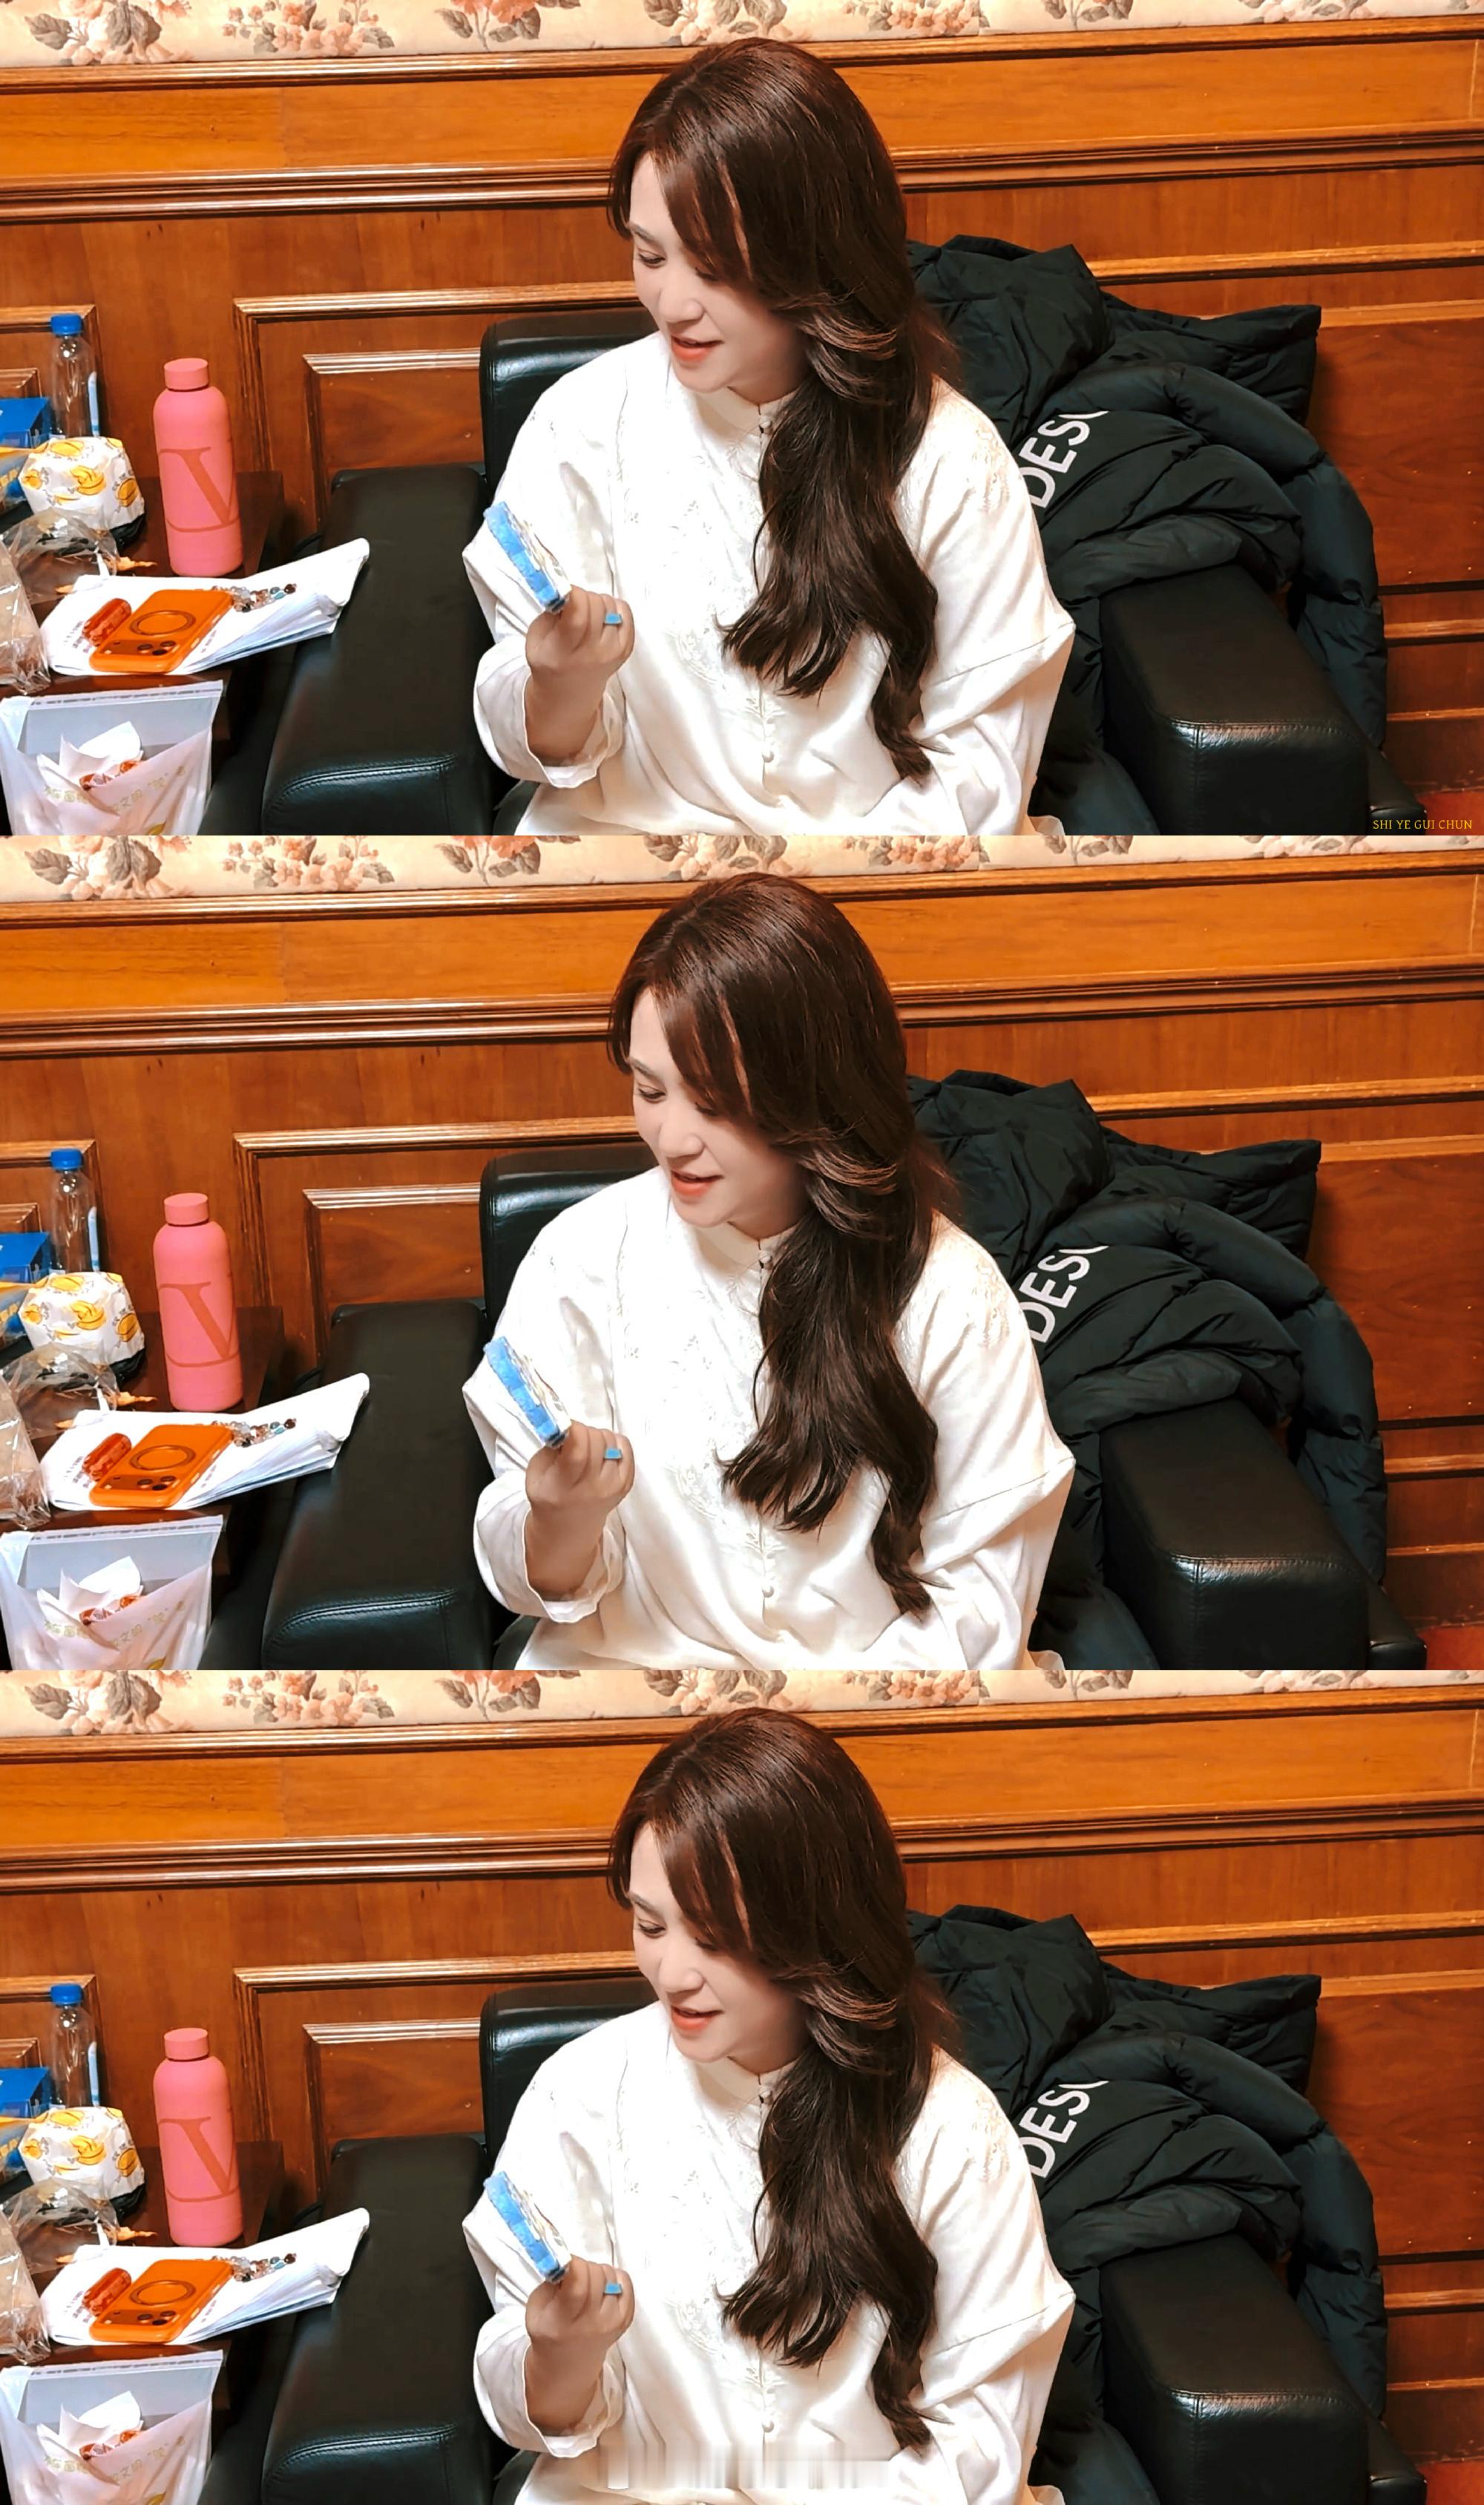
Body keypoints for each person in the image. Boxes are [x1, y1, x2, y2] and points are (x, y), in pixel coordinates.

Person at [463, 39, 1074, 844]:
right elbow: (538, 748)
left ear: (817, 260)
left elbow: (980, 773)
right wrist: (560, 685)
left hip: (873, 873)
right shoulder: (580, 424)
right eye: (649, 254)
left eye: (715, 268)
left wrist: (802, 895)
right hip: (633, 854)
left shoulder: (950, 458)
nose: (671, 303)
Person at [462, 873, 1074, 1674]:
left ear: (816, 1094)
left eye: (714, 1103)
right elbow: (538, 1584)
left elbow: (979, 1612)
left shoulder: (951, 1293)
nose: (671, 1139)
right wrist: (559, 1520)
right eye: (650, 1089)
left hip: (871, 1708)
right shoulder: (580, 1258)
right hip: (633, 1689)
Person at [464, 1708, 1074, 2504]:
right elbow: (536, 2417)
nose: (671, 1973)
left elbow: (981, 2442)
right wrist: (559, 2354)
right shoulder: (579, 2094)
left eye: (714, 1937)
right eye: (649, 1924)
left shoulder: (950, 2127)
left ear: (816, 1929)